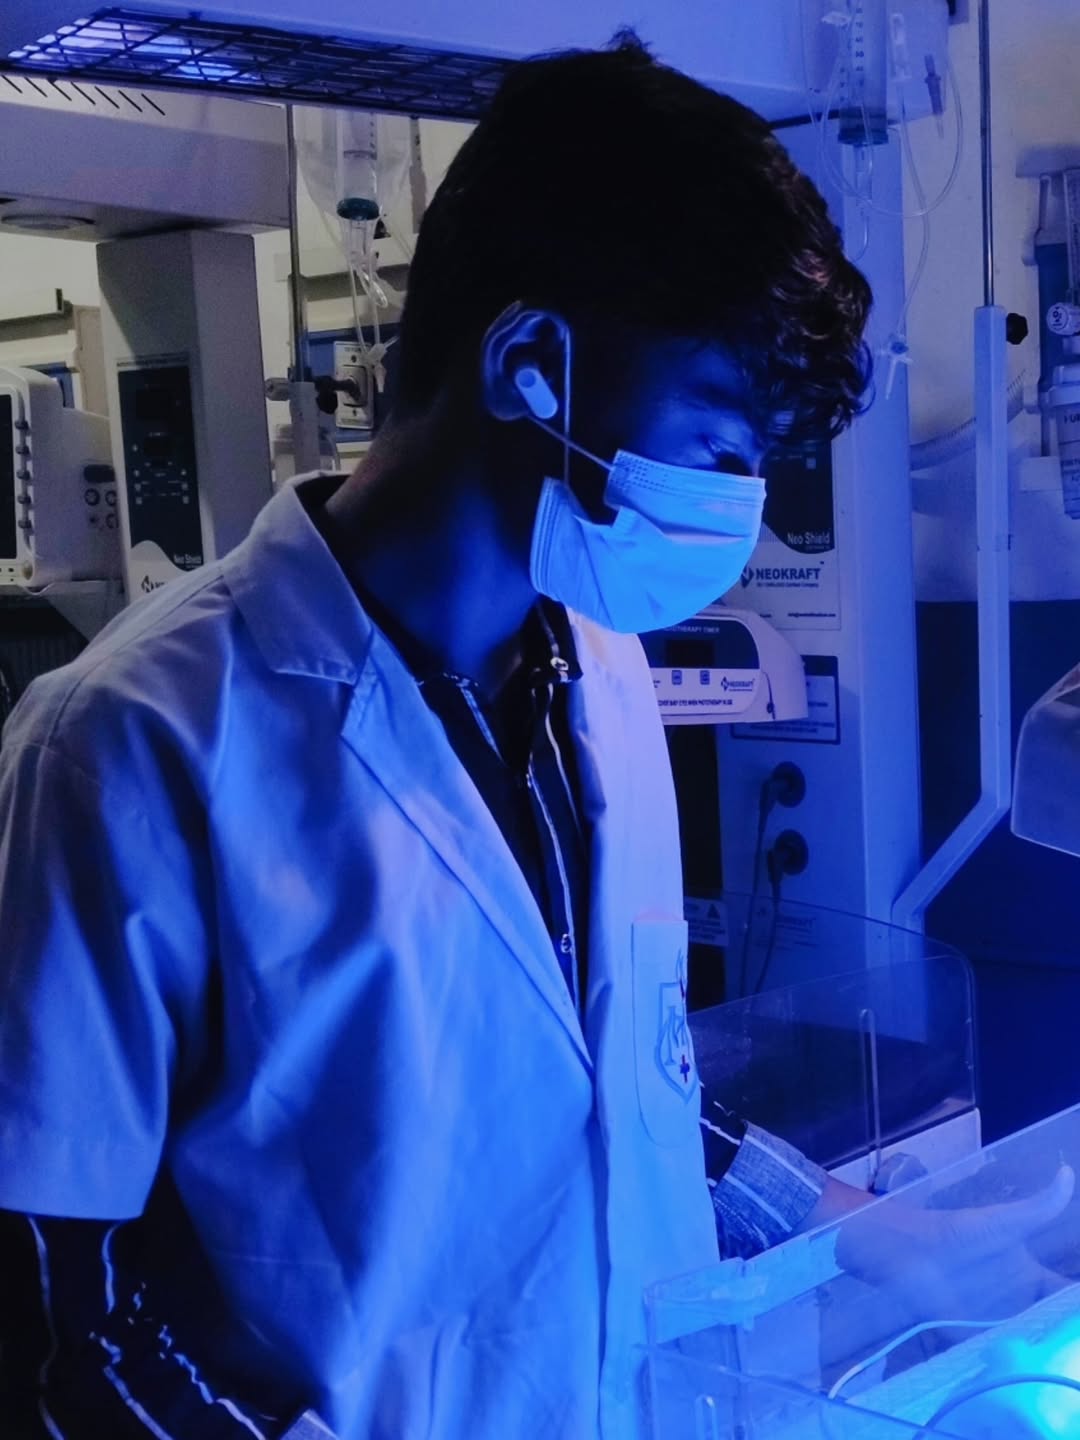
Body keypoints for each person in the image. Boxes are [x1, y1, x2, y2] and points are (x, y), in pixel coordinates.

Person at [0, 31, 1069, 1440]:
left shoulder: (600, 673)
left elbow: (624, 1089)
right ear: (528, 363)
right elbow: (56, 1324)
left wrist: (875, 1232)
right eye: (719, 446)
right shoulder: (130, 746)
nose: (735, 507)